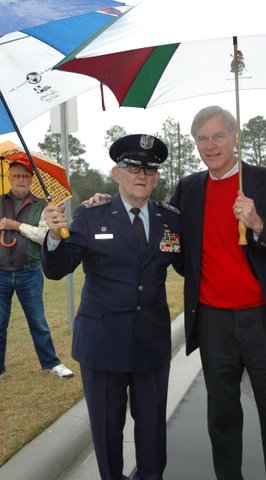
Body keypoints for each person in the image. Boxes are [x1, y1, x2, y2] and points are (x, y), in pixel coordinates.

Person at [87, 106, 266, 479]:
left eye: (218, 136)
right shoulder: (189, 188)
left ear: (234, 137)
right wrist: (106, 202)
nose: (211, 145)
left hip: (265, 320)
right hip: (213, 321)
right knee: (221, 417)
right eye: (202, 139)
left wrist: (258, 223)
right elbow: (150, 212)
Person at [41, 134, 182, 480]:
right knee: (106, 432)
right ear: (117, 173)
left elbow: (189, 265)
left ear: (157, 177)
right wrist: (53, 234)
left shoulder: (171, 219)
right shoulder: (92, 216)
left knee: (152, 431)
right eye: (132, 166)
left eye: (149, 169)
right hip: (102, 344)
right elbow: (57, 270)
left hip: (151, 341)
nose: (141, 174)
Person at [0, 159, 73, 380]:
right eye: (16, 175)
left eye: (25, 176)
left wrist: (17, 226)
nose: (21, 179)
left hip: (29, 271)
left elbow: (44, 237)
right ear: (9, 178)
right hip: (1, 272)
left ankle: (52, 363)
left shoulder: (43, 206)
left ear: (32, 179)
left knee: (38, 321)